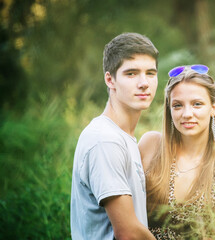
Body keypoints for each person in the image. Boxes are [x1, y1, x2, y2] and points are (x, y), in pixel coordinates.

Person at [139, 64, 215, 239]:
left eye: (197, 104)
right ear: (170, 109)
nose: (187, 114)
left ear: (213, 108)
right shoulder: (150, 146)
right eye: (177, 105)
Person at [70, 32, 158, 240]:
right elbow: (128, 233)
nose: (144, 83)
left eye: (151, 73)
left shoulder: (122, 137)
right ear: (110, 80)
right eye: (131, 73)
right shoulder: (105, 140)